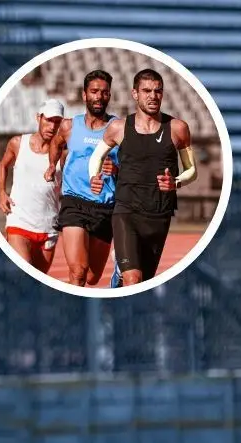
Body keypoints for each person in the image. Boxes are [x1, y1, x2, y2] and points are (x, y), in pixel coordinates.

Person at [89, 68, 197, 286]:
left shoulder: (177, 128)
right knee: (133, 277)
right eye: (146, 90)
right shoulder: (118, 128)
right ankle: (124, 273)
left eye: (158, 91)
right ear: (135, 93)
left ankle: (119, 278)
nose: (153, 96)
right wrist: (95, 177)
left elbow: (192, 170)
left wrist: (175, 182)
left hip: (159, 214)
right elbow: (96, 156)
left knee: (144, 281)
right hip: (126, 211)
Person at [44, 69, 121, 287]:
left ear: (109, 96)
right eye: (94, 91)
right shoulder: (69, 126)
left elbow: (132, 165)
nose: (99, 96)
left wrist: (116, 168)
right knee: (78, 271)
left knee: (92, 278)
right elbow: (56, 143)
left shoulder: (118, 129)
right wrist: (52, 164)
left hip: (104, 205)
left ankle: (118, 270)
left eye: (104, 92)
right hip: (74, 201)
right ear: (84, 95)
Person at [0, 99, 65, 274]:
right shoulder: (18, 144)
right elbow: (3, 165)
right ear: (38, 118)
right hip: (19, 221)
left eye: (57, 122)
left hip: (48, 225)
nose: (52, 126)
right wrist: (2, 192)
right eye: (48, 120)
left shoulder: (64, 154)